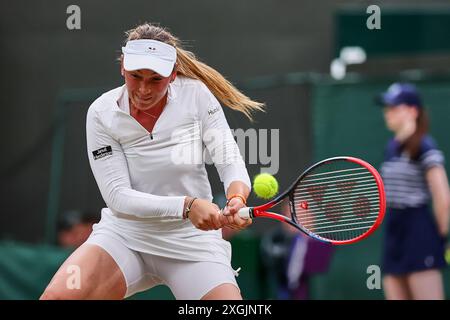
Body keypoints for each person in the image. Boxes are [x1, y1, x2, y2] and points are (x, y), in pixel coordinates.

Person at [40, 22, 264, 300]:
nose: (144, 89)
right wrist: (187, 206)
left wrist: (236, 200)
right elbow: (118, 196)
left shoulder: (196, 95)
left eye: (156, 79)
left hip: (191, 242)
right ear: (122, 66)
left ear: (171, 75)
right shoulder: (101, 112)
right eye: (136, 76)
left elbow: (229, 159)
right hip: (124, 236)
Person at [378, 82, 449, 300]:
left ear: (412, 111)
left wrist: (441, 237)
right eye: (386, 108)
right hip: (393, 232)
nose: (387, 113)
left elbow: (443, 197)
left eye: (394, 107)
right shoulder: (391, 148)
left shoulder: (426, 146)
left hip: (419, 232)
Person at [260, 200, 334, 299]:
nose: (297, 219)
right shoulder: (274, 239)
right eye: (291, 214)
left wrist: (304, 238)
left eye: (303, 213)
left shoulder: (324, 244)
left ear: (312, 217)